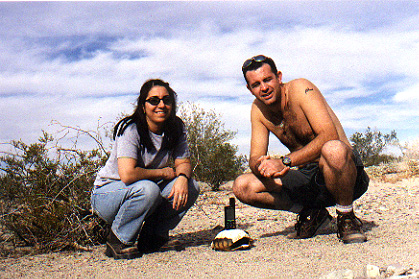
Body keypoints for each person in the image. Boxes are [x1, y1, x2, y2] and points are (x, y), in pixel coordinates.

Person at [233, 55, 369, 244]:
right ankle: (313, 213)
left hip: (345, 176)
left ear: (278, 77)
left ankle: (346, 217)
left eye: (267, 79)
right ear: (249, 89)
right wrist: (263, 166)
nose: (263, 88)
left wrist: (283, 162)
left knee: (333, 150)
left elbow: (329, 136)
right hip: (309, 180)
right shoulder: (258, 110)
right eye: (256, 84)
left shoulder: (301, 89)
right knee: (242, 186)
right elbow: (255, 156)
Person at [91, 79, 200, 259]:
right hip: (107, 195)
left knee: (191, 186)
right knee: (148, 190)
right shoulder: (131, 129)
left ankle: (153, 238)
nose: (161, 105)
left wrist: (181, 178)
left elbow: (184, 163)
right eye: (154, 100)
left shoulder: (176, 127)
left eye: (166, 100)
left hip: (142, 191)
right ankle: (118, 240)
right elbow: (127, 174)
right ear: (143, 106)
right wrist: (162, 172)